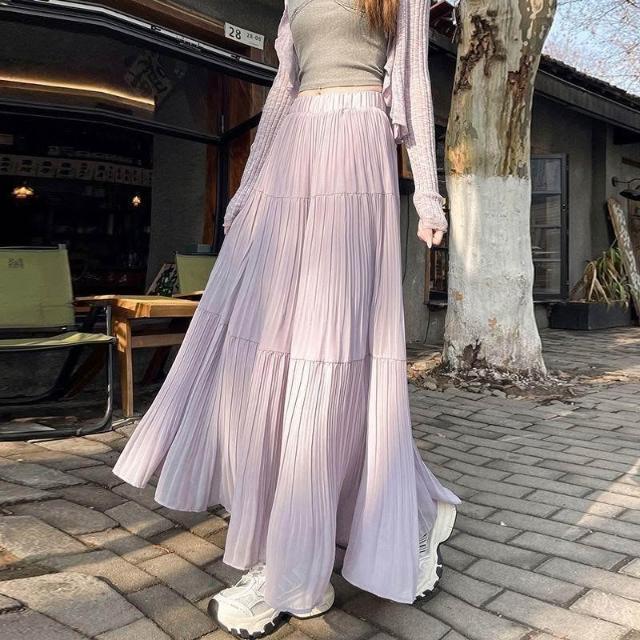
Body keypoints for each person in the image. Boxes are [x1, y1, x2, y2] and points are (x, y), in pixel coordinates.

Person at [112, 0, 461, 637]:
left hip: (357, 152)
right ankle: (398, 510)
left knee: (332, 355)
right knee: (262, 347)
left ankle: (296, 569)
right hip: (293, 158)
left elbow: (411, 86)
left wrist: (430, 197)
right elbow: (281, 94)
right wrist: (247, 191)